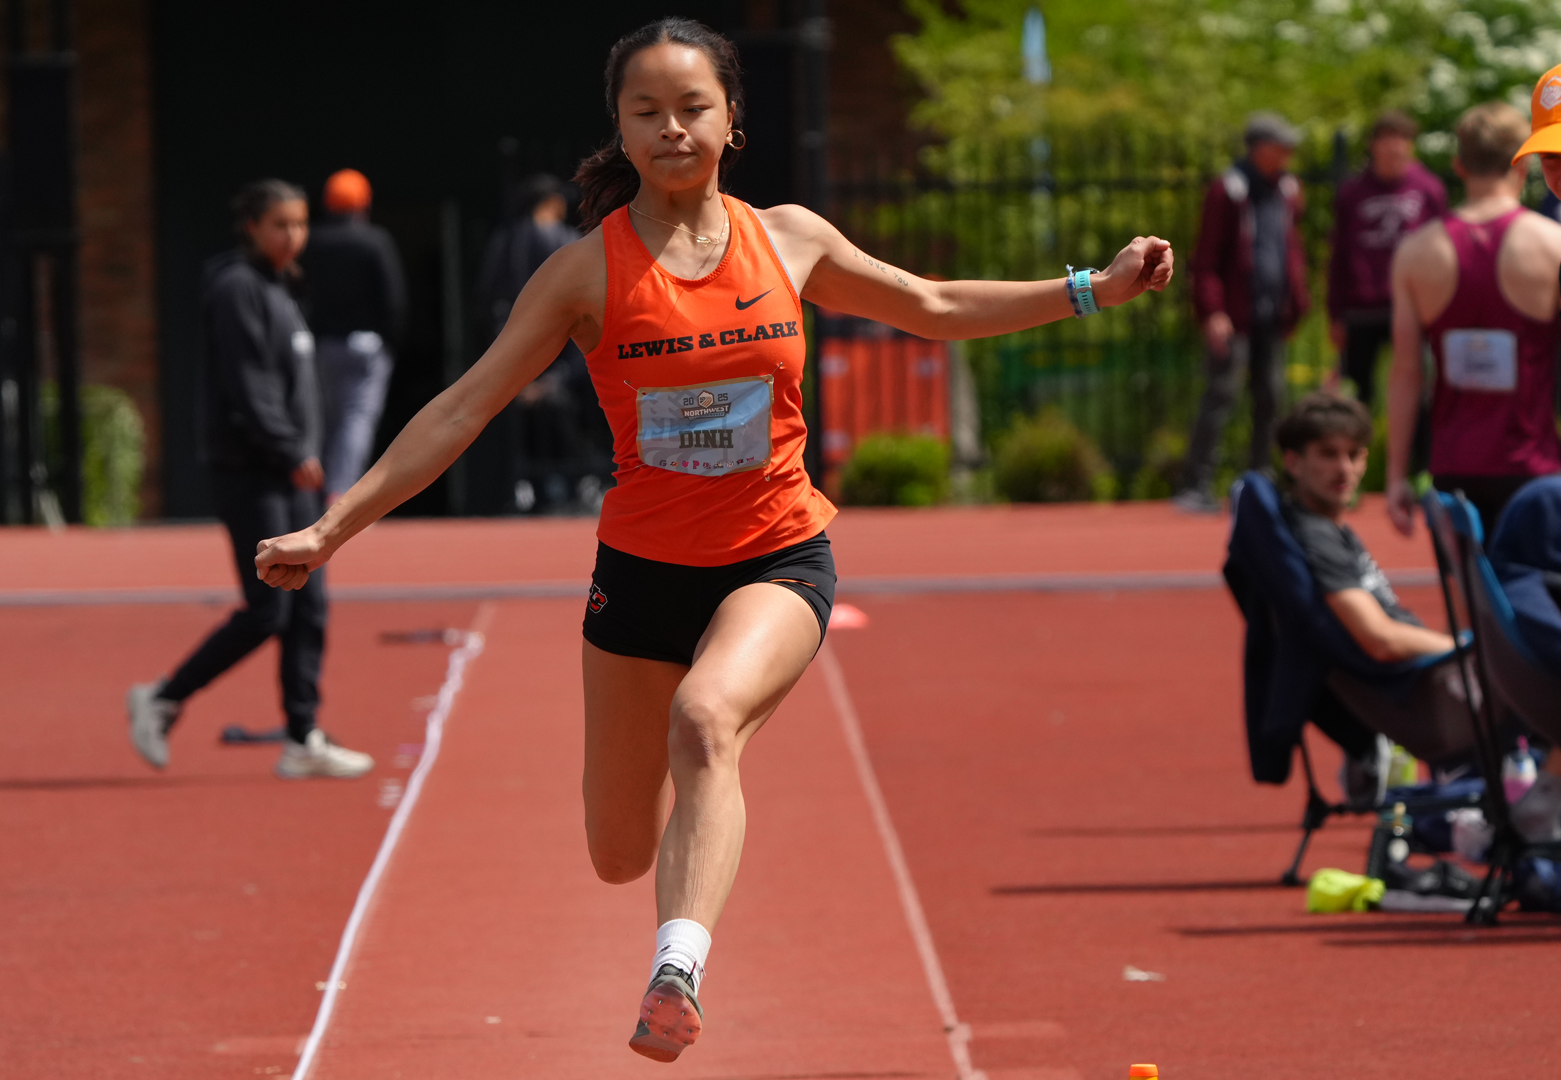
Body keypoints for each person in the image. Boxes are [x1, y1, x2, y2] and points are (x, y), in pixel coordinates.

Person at [251, 18, 1173, 1061]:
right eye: (647, 110)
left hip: (775, 555)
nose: (672, 127)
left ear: (732, 121)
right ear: (621, 128)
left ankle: (675, 966)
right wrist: (333, 528)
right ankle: (668, 900)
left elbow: (931, 303)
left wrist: (1096, 287)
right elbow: (460, 411)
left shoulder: (787, 238)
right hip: (640, 580)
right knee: (617, 849)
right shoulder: (583, 275)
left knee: (707, 722)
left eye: (693, 107)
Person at [126, 180, 372, 781]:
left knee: (309, 606)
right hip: (254, 471)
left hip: (294, 473)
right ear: (251, 228)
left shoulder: (282, 286)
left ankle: (301, 737)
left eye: (301, 224)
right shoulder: (236, 287)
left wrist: (305, 454)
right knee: (269, 607)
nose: (293, 237)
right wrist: (289, 447)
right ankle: (162, 697)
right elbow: (248, 382)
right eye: (280, 226)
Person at [1388, 101, 1561, 539]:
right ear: (1522, 166)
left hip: (1452, 467)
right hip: (1533, 467)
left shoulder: (1415, 252)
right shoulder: (1551, 244)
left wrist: (1394, 478)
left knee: (1470, 604)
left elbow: (1406, 371)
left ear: (1458, 166)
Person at [1274, 392, 1457, 805]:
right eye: (1328, 454)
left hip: (1424, 681)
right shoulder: (1315, 538)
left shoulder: (1328, 528)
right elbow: (1380, 639)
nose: (1345, 469)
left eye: (1355, 455)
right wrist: (1467, 651)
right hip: (1422, 694)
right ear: (1292, 461)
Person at [1175, 112, 1310, 513]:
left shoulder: (1288, 189)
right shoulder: (1228, 189)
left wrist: (1297, 302)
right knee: (1221, 396)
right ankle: (1195, 483)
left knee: (1270, 398)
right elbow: (1206, 258)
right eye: (1280, 145)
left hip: (1272, 314)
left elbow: (1292, 250)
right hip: (1235, 315)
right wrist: (1212, 311)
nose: (1288, 153)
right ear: (1259, 147)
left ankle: (1261, 481)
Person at [475, 173, 610, 512]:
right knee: (571, 427)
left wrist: (520, 375)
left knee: (524, 436)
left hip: (516, 367)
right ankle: (579, 484)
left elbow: (489, 305)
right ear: (550, 203)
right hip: (570, 371)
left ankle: (526, 489)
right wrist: (558, 377)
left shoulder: (504, 242)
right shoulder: (569, 242)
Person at [1326, 111, 1448, 408]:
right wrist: (1335, 312)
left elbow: (1441, 251)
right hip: (1361, 307)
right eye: (1388, 141)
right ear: (1373, 145)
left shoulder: (1428, 189)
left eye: (1403, 141)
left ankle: (1420, 453)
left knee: (1419, 388)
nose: (1395, 149)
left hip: (1412, 305)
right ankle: (1357, 450)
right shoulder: (1352, 193)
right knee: (1357, 390)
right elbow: (1338, 254)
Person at [298, 169, 406, 498]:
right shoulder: (374, 240)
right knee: (356, 418)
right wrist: (392, 340)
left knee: (324, 420)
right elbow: (393, 299)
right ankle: (340, 492)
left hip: (321, 344)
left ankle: (316, 492)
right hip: (366, 345)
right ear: (364, 204)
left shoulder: (312, 242)